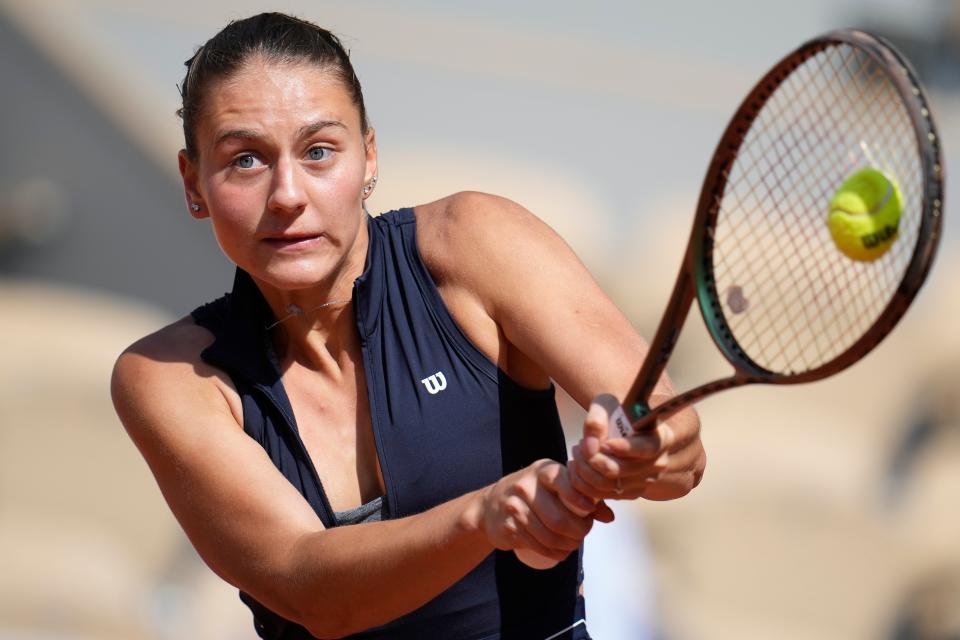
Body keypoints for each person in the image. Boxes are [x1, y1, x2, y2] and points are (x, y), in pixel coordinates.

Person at [110, 12, 705, 640]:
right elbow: (310, 590)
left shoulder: (476, 243)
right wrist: (485, 515)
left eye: (319, 151)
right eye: (247, 160)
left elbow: (675, 439)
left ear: (368, 156)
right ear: (192, 182)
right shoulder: (165, 377)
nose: (287, 194)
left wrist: (645, 451)